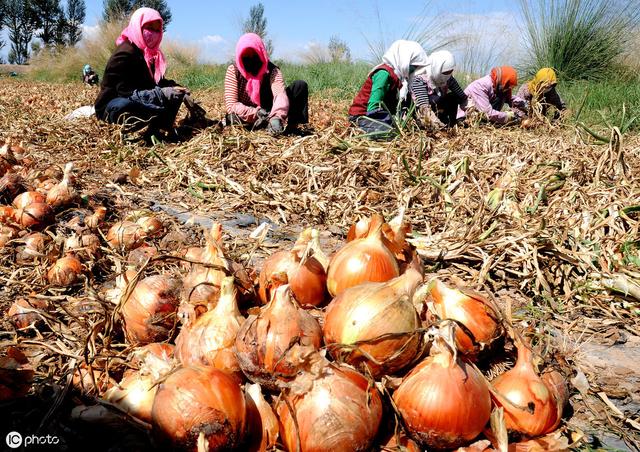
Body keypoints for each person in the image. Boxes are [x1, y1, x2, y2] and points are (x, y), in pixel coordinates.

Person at [94, 7, 188, 140]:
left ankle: (158, 130)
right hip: (113, 104)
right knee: (126, 106)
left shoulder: (149, 55)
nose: (153, 33)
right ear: (137, 26)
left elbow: (157, 82)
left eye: (157, 30)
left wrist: (176, 87)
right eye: (149, 27)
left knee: (174, 94)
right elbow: (124, 92)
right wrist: (162, 93)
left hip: (138, 99)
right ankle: (130, 134)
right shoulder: (125, 54)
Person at [224, 33, 309, 135]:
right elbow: (232, 105)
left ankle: (291, 129)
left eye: (255, 55)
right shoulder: (234, 71)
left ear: (261, 53)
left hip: (269, 111)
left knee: (299, 86)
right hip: (247, 116)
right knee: (232, 117)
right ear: (240, 56)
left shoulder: (272, 70)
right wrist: (256, 112)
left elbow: (280, 95)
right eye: (246, 56)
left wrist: (276, 116)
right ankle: (256, 126)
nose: (251, 59)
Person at [348, 40, 429, 135]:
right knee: (391, 134)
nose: (414, 70)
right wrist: (390, 124)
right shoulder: (384, 74)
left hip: (379, 116)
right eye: (413, 66)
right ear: (404, 60)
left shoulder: (401, 78)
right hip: (362, 116)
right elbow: (373, 107)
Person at [410, 50, 468, 130]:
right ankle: (434, 126)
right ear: (437, 68)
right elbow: (423, 107)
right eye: (446, 72)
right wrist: (438, 125)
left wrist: (470, 111)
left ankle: (452, 124)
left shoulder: (449, 78)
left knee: (453, 97)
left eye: (450, 72)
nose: (448, 75)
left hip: (438, 109)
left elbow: (462, 97)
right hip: (423, 114)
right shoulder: (419, 80)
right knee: (435, 99)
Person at [459, 66, 526, 125]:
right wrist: (508, 116)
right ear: (504, 81)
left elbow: (510, 98)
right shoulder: (481, 86)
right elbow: (487, 113)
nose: (508, 89)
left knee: (502, 95)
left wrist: (524, 104)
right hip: (465, 118)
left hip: (483, 117)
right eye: (508, 86)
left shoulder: (498, 85)